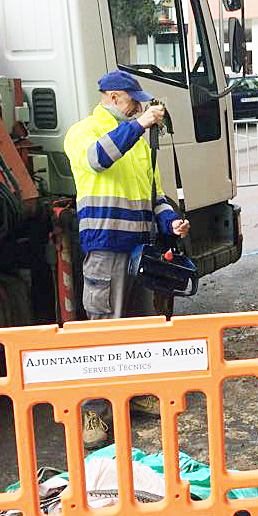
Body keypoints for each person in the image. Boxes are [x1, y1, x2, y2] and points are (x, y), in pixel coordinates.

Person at [64, 69, 191, 448]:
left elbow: (155, 195)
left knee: (138, 330)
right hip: (106, 248)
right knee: (105, 334)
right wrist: (140, 123)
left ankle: (134, 395)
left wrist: (172, 221)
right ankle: (95, 415)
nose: (142, 106)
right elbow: (98, 159)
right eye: (136, 100)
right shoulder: (83, 132)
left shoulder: (137, 140)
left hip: (140, 249)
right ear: (116, 98)